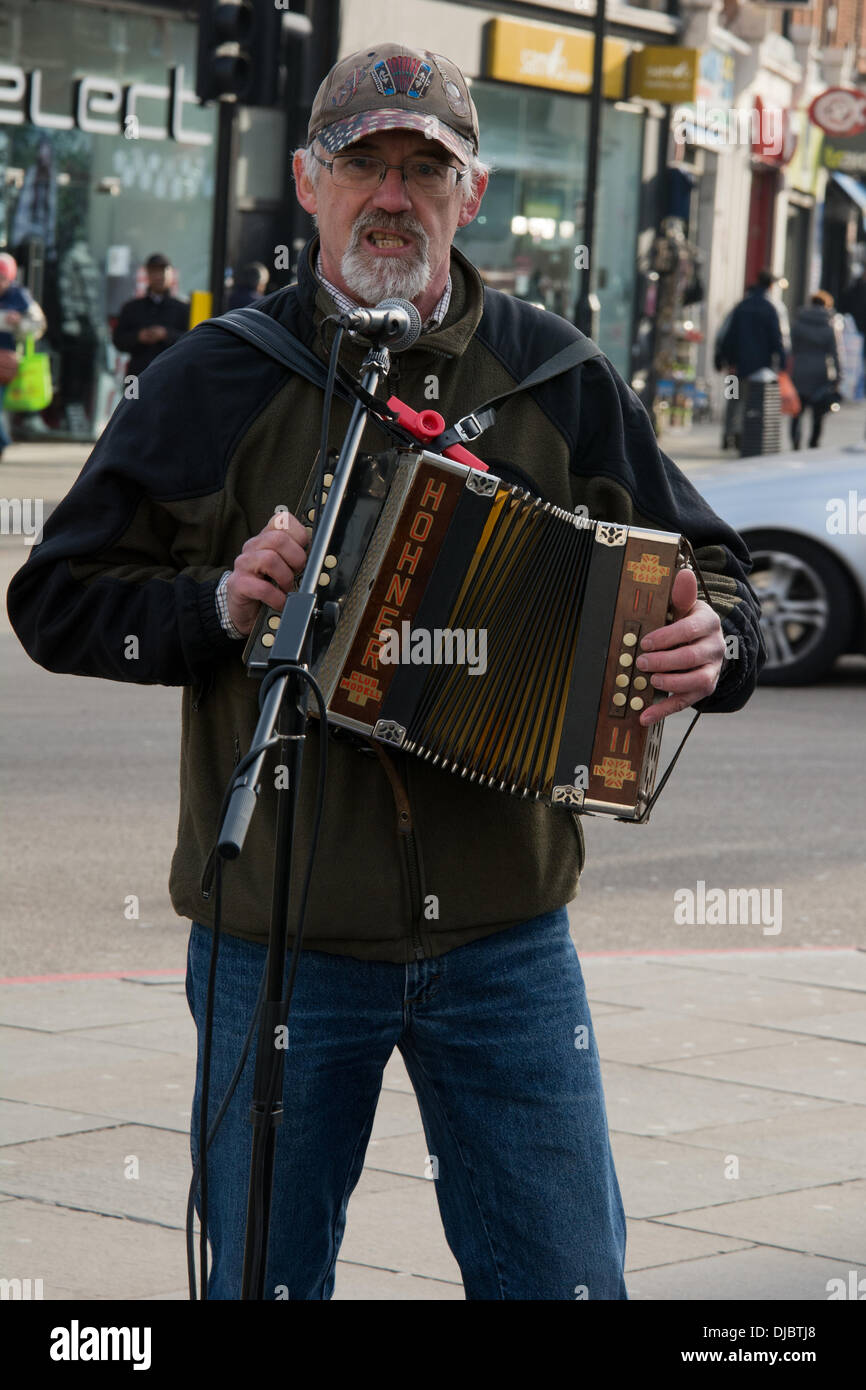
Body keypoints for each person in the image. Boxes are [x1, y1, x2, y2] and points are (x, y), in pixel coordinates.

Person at [7, 42, 765, 1301]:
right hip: (280, 945)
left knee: (567, 1280)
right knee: (265, 1283)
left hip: (508, 945)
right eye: (365, 163)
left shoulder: (554, 375)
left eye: (427, 168)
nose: (393, 195)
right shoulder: (215, 377)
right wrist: (213, 605)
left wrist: (720, 640)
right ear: (309, 182)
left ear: (468, 195)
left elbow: (718, 571)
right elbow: (53, 599)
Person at [0, 251, 47, 462]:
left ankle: (2, 441)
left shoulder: (20, 297)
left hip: (6, 362)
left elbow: (38, 326)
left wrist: (18, 322)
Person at [112, 253, 189, 379]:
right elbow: (118, 340)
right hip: (136, 376)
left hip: (171, 378)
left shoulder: (183, 308)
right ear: (147, 274)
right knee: (133, 398)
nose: (159, 276)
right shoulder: (131, 307)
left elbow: (191, 341)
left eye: (163, 270)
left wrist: (166, 334)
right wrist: (138, 337)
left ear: (171, 273)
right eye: (154, 271)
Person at [788, 290, 844, 449]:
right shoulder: (830, 324)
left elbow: (791, 348)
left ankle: (795, 440)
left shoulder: (799, 322)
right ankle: (813, 442)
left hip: (800, 370)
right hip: (821, 371)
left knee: (797, 410)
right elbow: (835, 352)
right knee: (818, 413)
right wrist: (838, 375)